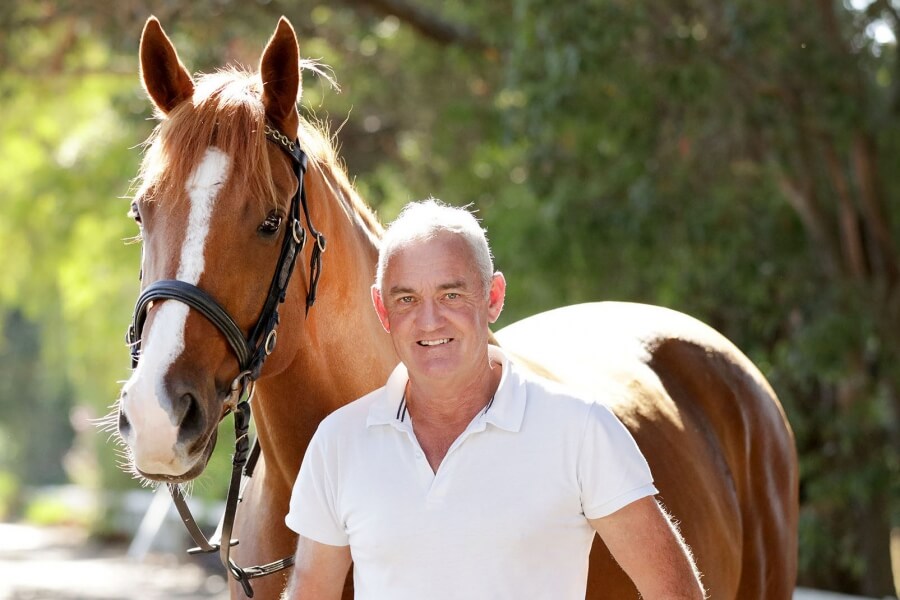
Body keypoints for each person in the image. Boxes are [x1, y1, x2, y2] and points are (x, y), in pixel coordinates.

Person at [282, 199, 706, 599]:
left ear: (493, 298)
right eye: (406, 299)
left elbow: (674, 591)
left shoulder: (579, 430)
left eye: (451, 295)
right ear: (382, 309)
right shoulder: (338, 442)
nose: (429, 321)